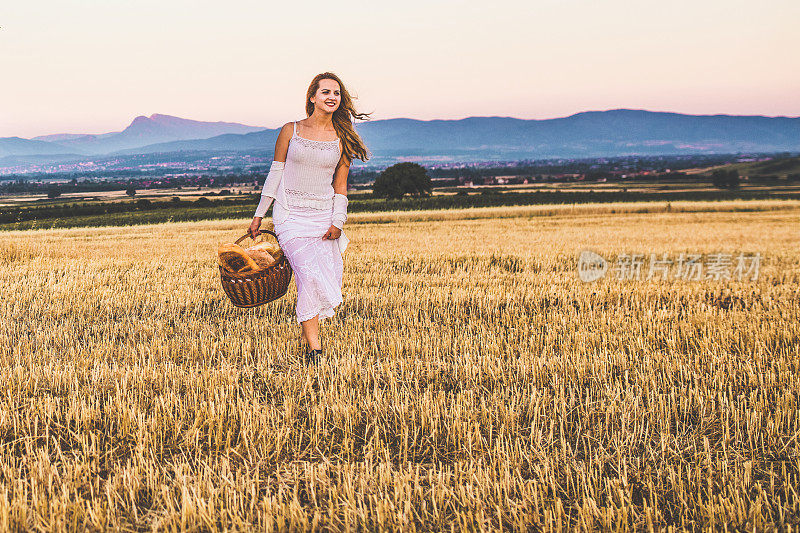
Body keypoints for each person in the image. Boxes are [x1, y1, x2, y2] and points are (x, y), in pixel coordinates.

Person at [249, 72, 371, 363]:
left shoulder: (343, 140)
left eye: (337, 93)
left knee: (312, 281)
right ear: (312, 97)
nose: (332, 97)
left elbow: (340, 186)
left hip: (322, 217)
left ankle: (310, 340)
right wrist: (259, 215)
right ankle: (316, 349)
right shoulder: (290, 130)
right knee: (308, 273)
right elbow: (275, 173)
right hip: (290, 216)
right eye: (326, 91)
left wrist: (338, 221)